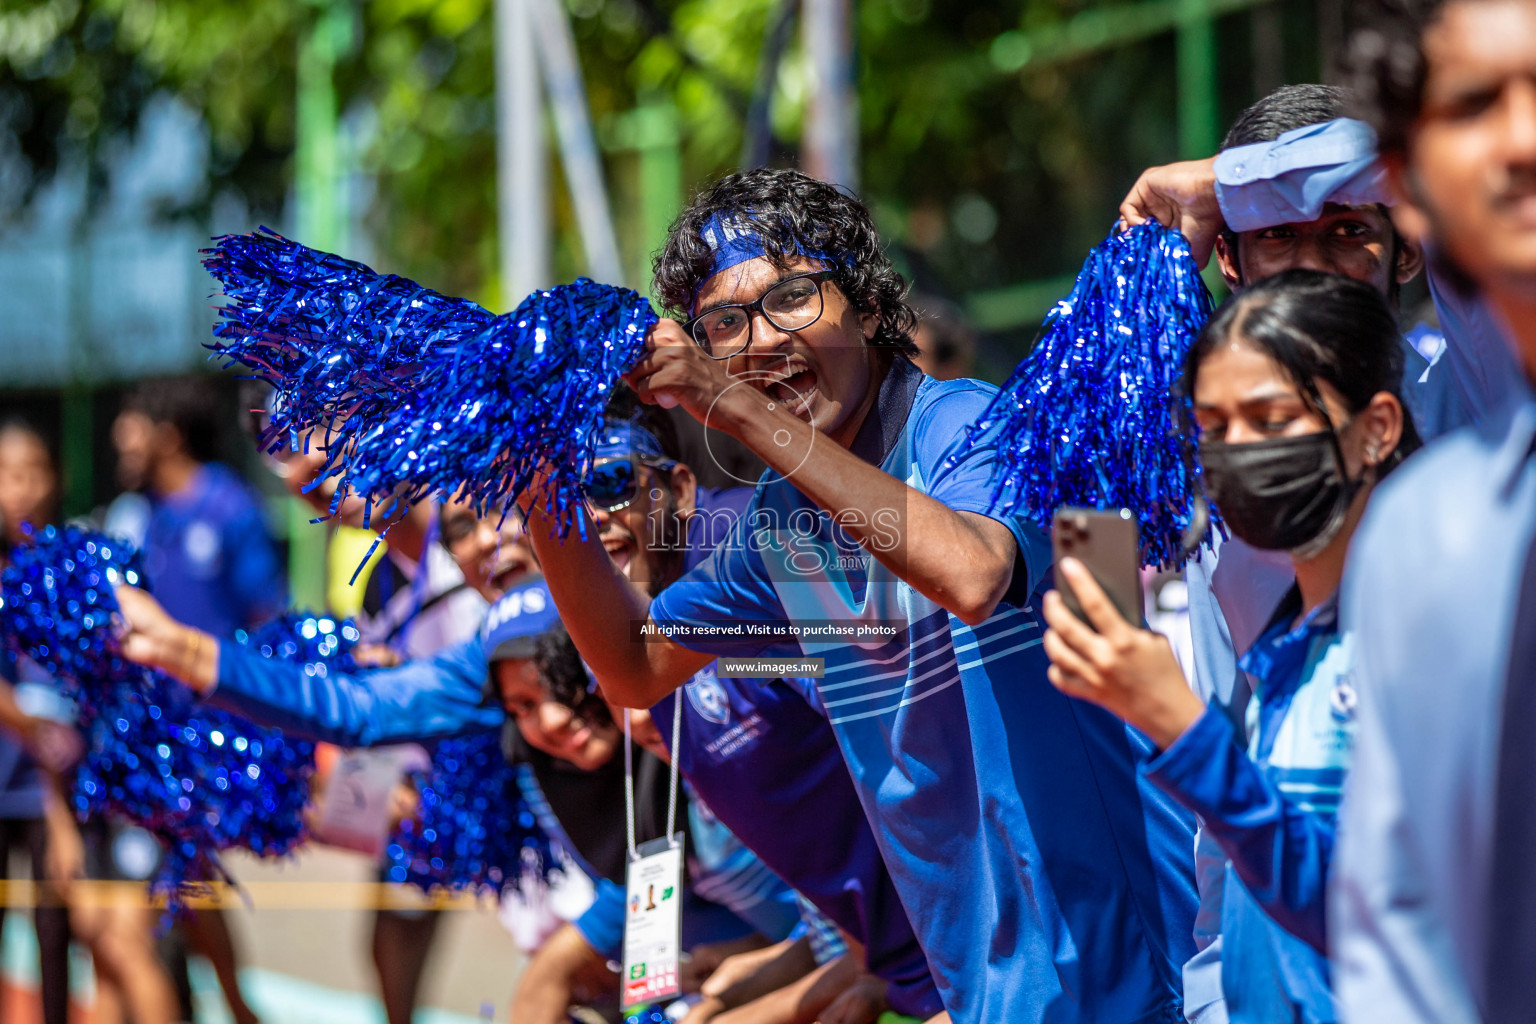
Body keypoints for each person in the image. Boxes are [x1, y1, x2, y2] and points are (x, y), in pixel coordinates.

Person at [518, 168, 1199, 1024]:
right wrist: (532, 469)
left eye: (792, 299)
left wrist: (727, 403)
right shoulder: (782, 529)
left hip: (1140, 967)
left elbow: (975, 572)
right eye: (724, 324)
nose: (760, 341)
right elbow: (631, 666)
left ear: (872, 310)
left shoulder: (966, 423)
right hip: (987, 990)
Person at [115, 407, 943, 1024]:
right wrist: (183, 651)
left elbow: (877, 689)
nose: (598, 515)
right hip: (781, 929)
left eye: (613, 486)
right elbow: (358, 709)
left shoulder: (736, 583)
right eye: (568, 501)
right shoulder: (519, 631)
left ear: (675, 489)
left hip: (918, 926)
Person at [1038, 271, 1416, 1023]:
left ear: (1377, 427)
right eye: (1213, 428)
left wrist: (1184, 731)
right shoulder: (1281, 648)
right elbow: (1237, 895)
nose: (1237, 452)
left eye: (1270, 420)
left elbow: (1373, 914)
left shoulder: (1421, 637)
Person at [1325, 2, 1536, 1020]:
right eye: (1474, 104)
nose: (1524, 139)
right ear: (1407, 186)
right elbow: (1400, 931)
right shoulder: (1421, 534)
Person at [107, 375, 284, 1024]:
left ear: (166, 433)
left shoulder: (229, 508)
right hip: (138, 739)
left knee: (171, 895)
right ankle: (233, 1009)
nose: (117, 440)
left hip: (209, 738)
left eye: (129, 426)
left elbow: (268, 620)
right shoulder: (134, 517)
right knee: (155, 906)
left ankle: (236, 1007)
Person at [0, 420, 179, 1024]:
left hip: (80, 790)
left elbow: (88, 691)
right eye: (7, 474)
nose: (20, 488)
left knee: (84, 938)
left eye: (33, 472)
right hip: (38, 785)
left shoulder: (73, 569)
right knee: (104, 942)